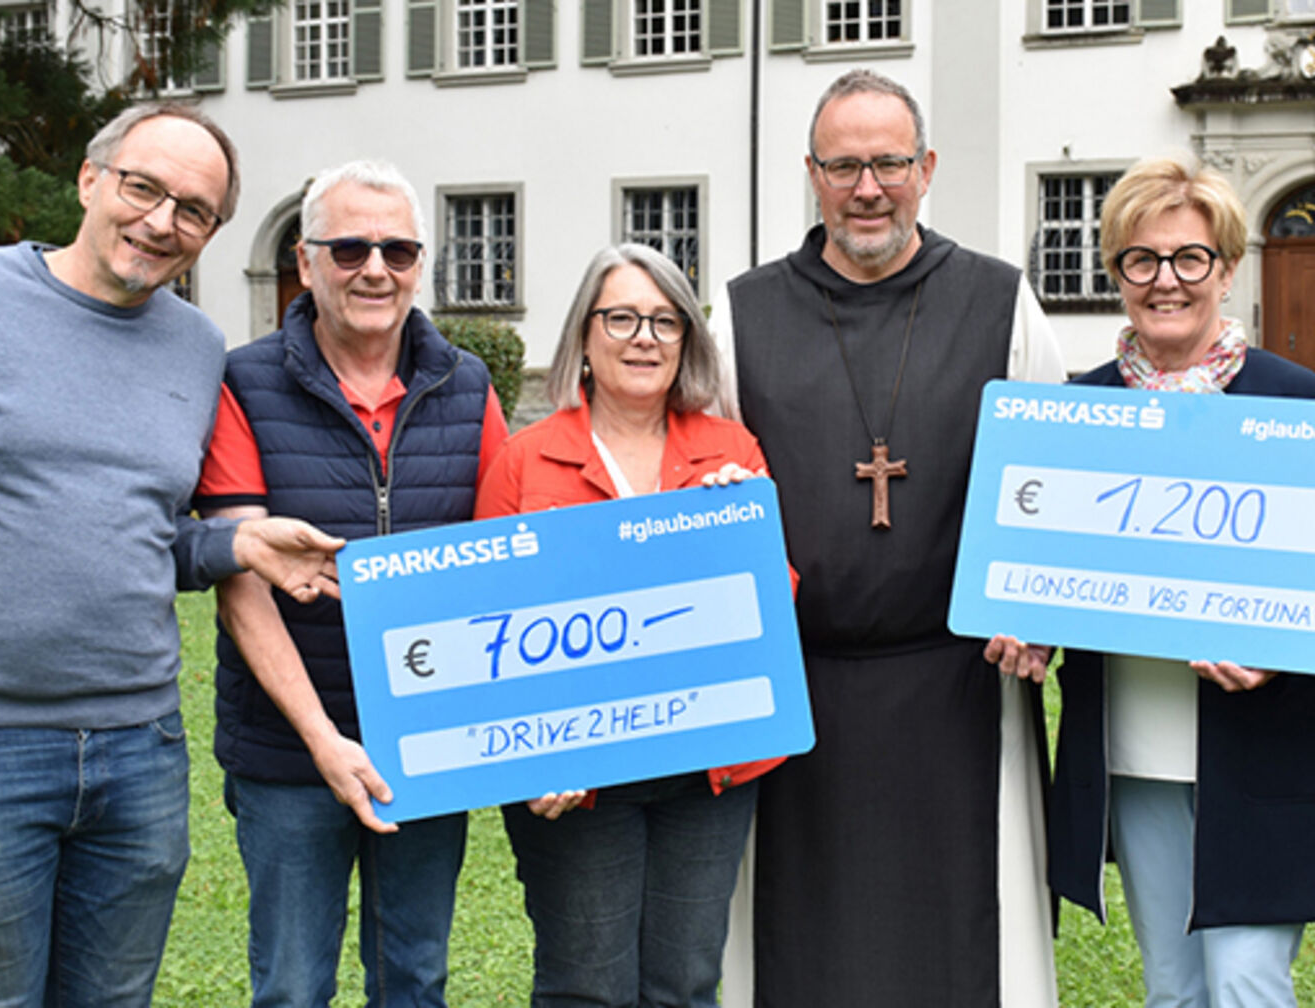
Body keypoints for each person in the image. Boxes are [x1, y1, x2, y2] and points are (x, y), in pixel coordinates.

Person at [0, 103, 345, 1008]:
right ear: (90, 181)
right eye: (143, 188)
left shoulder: (196, 346)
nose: (163, 221)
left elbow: (125, 533)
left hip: (139, 753)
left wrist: (233, 543)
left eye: (194, 210)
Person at [715, 69, 1065, 1007]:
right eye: (844, 166)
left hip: (957, 683)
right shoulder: (742, 316)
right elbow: (700, 485)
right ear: (812, 174)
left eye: (888, 163)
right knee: (794, 951)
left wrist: (1035, 613)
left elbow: (1054, 485)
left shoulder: (1003, 304)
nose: (867, 188)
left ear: (927, 168)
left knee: (969, 944)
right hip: (799, 687)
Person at [1042, 156, 1315, 1008]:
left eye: (1189, 258)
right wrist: (1031, 618)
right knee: (1174, 988)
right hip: (1136, 747)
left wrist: (1276, 651)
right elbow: (1050, 566)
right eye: (1140, 260)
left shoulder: (1293, 399)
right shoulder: (1081, 409)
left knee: (1248, 984)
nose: (1165, 281)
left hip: (1261, 743)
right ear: (1115, 272)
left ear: (1226, 267)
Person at [194, 159, 507, 1007]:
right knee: (292, 987)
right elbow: (240, 581)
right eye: (350, 249)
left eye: (399, 251)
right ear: (304, 262)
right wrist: (324, 741)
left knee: (415, 977)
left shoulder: (468, 385)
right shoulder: (241, 382)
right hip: (289, 750)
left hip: (427, 746)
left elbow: (512, 552)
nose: (376, 269)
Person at [474, 243, 782, 1008]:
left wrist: (742, 529)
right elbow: (486, 627)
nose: (644, 337)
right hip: (578, 780)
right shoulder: (525, 461)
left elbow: (773, 602)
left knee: (685, 985)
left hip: (705, 771)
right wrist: (529, 761)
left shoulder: (731, 452)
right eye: (621, 318)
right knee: (587, 988)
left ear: (687, 341)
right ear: (584, 334)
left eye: (664, 321)